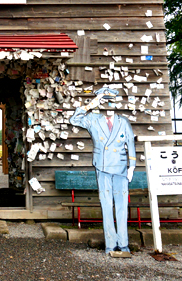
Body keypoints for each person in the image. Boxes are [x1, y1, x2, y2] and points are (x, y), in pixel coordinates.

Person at [70, 87, 136, 257]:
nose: (108, 105)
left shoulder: (123, 122)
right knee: (106, 205)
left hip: (121, 167)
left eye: (111, 102)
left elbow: (130, 143)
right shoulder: (93, 119)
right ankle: (110, 243)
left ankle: (123, 243)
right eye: (105, 101)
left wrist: (132, 166)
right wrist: (90, 105)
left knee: (122, 206)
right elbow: (74, 119)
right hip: (102, 166)